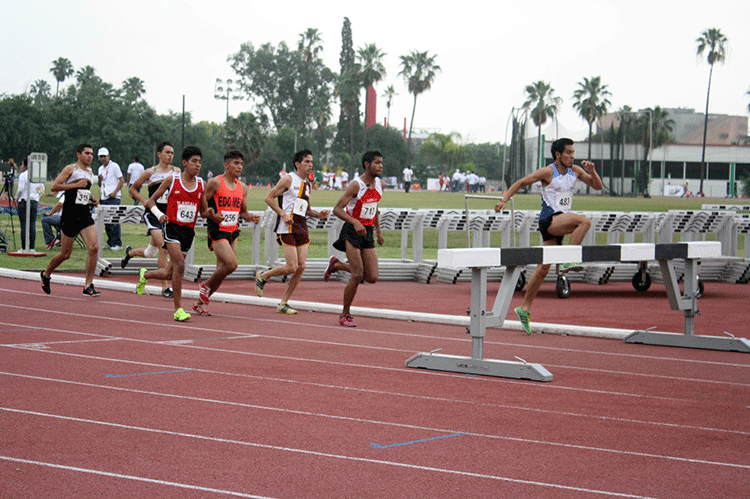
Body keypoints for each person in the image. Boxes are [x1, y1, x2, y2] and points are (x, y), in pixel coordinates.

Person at [493, 137, 602, 335]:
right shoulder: (547, 172)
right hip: (550, 219)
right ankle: (569, 260)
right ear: (558, 154)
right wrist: (504, 200)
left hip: (561, 221)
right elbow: (521, 182)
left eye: (573, 152)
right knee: (584, 222)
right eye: (568, 152)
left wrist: (592, 172)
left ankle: (524, 308)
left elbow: (597, 187)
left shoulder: (576, 171)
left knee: (543, 268)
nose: (572, 156)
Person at [254, 149, 330, 314]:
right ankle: (264, 275)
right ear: (298, 164)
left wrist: (319, 215)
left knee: (301, 267)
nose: (311, 165)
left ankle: (283, 303)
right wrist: (283, 214)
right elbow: (269, 198)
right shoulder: (288, 179)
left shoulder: (308, 185)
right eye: (307, 162)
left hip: (302, 227)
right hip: (286, 227)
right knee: (291, 267)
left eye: (311, 162)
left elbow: (307, 210)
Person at [135, 146, 205, 321]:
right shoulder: (171, 180)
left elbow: (204, 211)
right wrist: (160, 215)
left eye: (200, 162)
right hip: (172, 227)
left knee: (169, 273)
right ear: (184, 163)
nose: (198, 165)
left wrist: (214, 216)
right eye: (194, 161)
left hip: (188, 232)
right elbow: (151, 201)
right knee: (180, 265)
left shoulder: (201, 184)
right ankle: (178, 309)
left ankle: (146, 274)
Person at [192, 149, 261, 316]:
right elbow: (202, 203)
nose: (240, 167)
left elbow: (242, 212)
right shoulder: (216, 182)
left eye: (241, 164)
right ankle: (205, 286)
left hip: (233, 232)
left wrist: (250, 217)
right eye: (236, 163)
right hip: (217, 230)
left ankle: (198, 304)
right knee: (232, 265)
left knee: (221, 271)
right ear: (226, 165)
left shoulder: (243, 188)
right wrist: (212, 215)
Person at [324, 151, 385, 327]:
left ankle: (337, 265)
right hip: (352, 230)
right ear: (367, 164)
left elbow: (374, 206)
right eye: (377, 163)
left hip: (368, 231)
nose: (381, 166)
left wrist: (378, 231)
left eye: (382, 163)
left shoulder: (380, 184)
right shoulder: (356, 185)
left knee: (372, 277)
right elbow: (337, 209)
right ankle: (345, 314)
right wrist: (355, 222)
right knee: (357, 274)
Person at [40, 144, 101, 297]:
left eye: (92, 154)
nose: (90, 156)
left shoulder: (89, 172)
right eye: (87, 153)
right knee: (65, 254)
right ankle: (46, 274)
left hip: (84, 213)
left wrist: (92, 198)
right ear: (78, 154)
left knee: (94, 248)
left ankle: (88, 285)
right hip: (70, 214)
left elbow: (83, 192)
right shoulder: (70, 169)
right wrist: (74, 184)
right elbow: (54, 187)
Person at [121, 141, 179, 298]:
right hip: (153, 213)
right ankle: (165, 287)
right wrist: (144, 201)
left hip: (169, 215)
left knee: (150, 252)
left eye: (172, 153)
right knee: (164, 247)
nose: (170, 155)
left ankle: (130, 253)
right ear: (159, 154)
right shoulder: (150, 172)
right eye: (167, 152)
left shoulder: (177, 171)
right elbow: (132, 188)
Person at [97, 147, 124, 251]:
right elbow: (100, 184)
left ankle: (118, 243)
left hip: (114, 197)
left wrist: (115, 192)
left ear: (108, 156)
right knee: (107, 222)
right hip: (104, 196)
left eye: (104, 156)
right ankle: (110, 242)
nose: (103, 158)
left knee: (114, 220)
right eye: (101, 157)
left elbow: (121, 180)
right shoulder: (100, 169)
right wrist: (99, 179)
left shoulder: (114, 166)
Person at [15, 158, 45, 250]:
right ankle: (32, 247)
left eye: (22, 164)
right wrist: (36, 196)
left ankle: (24, 247)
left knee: (24, 224)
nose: (21, 166)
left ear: (26, 165)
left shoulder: (23, 175)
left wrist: (17, 198)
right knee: (32, 224)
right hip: (34, 201)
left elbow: (21, 189)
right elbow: (41, 189)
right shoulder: (37, 176)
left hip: (24, 201)